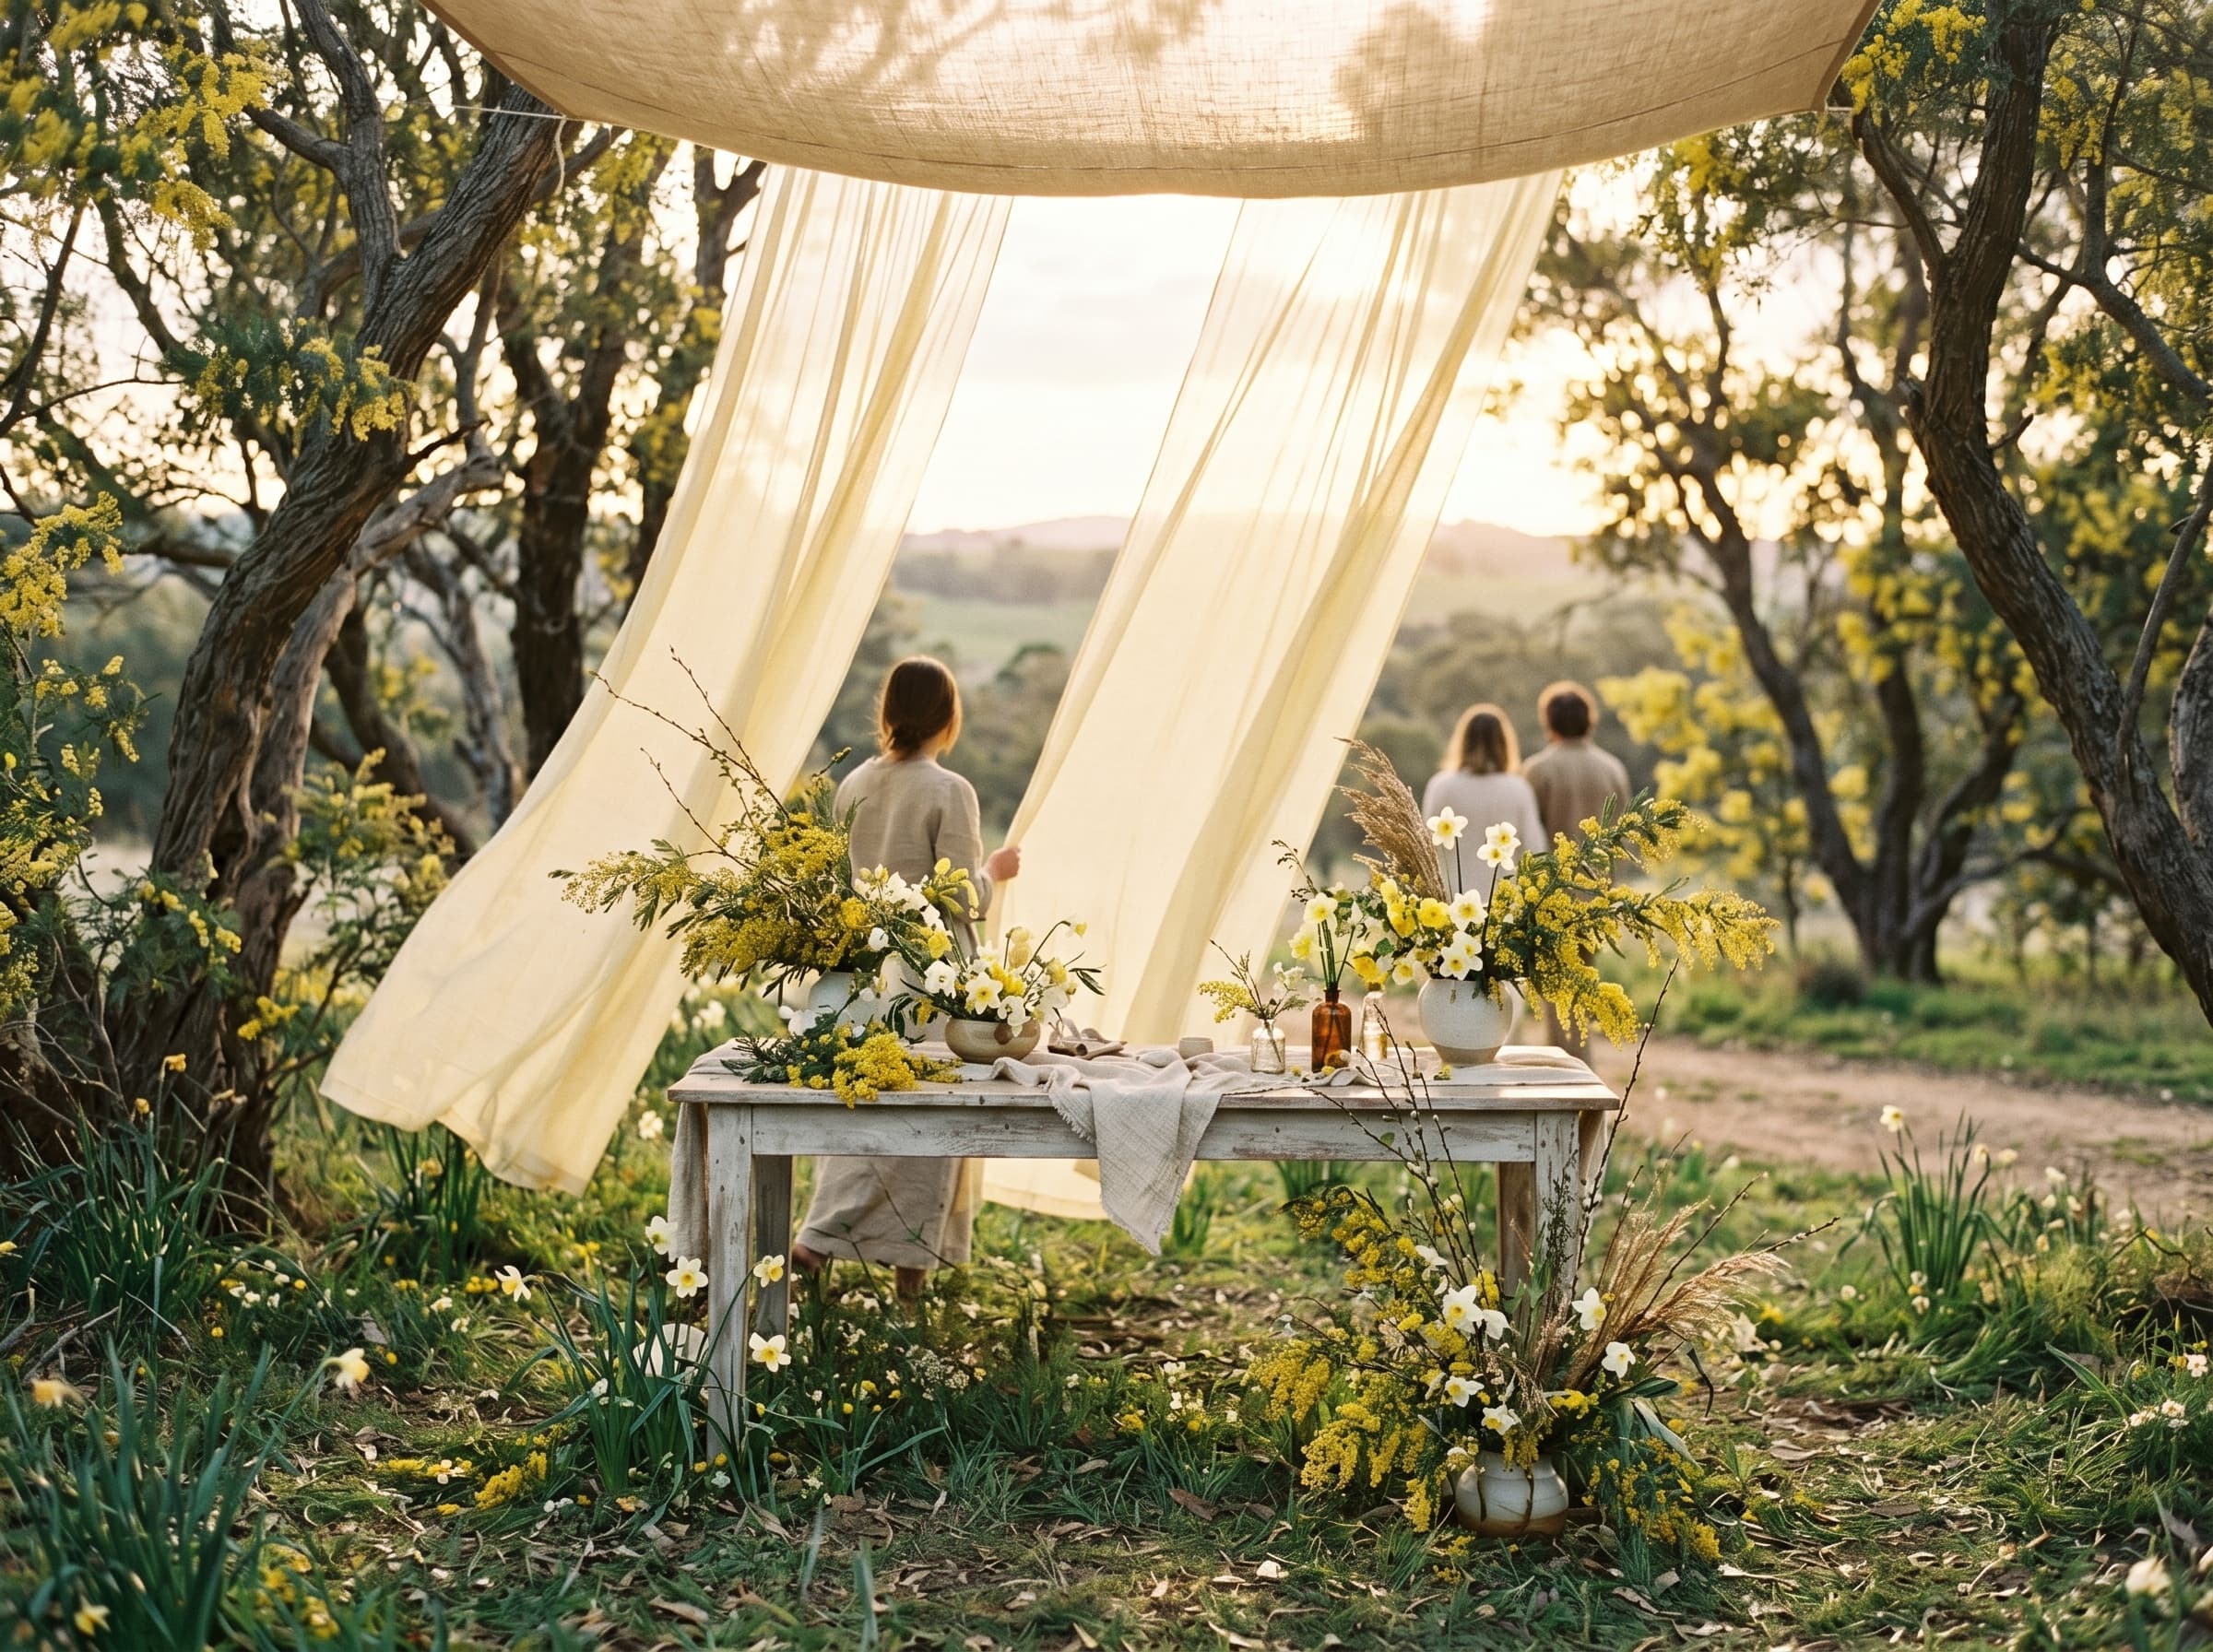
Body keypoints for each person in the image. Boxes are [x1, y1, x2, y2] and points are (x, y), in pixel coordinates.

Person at [792, 656, 1022, 1298]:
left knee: (867, 1111)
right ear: (949, 718)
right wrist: (997, 871)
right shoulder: (950, 790)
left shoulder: (852, 786)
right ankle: (902, 1290)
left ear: (886, 712)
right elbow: (957, 899)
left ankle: (820, 1244)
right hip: (930, 978)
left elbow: (844, 883)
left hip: (864, 975)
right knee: (929, 1126)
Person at [1520, 680, 1632, 1059]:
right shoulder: (1612, 769)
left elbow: (1525, 839)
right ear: (1589, 720)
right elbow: (1624, 839)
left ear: (1549, 721)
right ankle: (1582, 1074)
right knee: (1582, 992)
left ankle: (1568, 1080)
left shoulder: (1538, 770)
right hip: (1598, 899)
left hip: (1553, 899)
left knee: (1556, 997)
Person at [1422, 703, 1548, 870]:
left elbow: (1425, 846)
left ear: (1463, 741)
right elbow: (1535, 848)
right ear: (1504, 743)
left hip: (1448, 893)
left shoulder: (1441, 786)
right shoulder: (1518, 789)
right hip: (1504, 892)